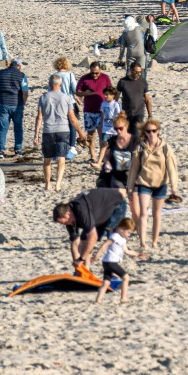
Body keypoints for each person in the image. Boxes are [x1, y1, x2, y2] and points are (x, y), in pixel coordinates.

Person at [125, 120, 180, 249]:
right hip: (144, 182)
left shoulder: (165, 147)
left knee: (157, 214)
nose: (151, 133)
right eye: (148, 131)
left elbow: (172, 168)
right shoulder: (140, 147)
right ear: (145, 132)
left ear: (158, 131)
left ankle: (154, 241)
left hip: (160, 183)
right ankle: (143, 242)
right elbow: (134, 169)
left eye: (154, 131)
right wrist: (130, 187)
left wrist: (174, 188)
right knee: (143, 212)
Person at [53, 188, 130, 270]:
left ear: (68, 214)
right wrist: (77, 264)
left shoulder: (80, 210)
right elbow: (74, 243)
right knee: (84, 239)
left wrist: (81, 259)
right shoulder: (69, 220)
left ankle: (114, 272)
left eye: (64, 222)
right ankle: (85, 270)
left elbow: (93, 237)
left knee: (112, 237)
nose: (65, 224)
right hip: (98, 213)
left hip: (116, 205)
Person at [35, 74, 87, 192]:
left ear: (49, 84)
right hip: (63, 130)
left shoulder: (43, 98)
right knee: (61, 158)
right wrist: (80, 132)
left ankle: (48, 184)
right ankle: (58, 184)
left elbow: (39, 117)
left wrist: (36, 135)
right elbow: (73, 118)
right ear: (61, 85)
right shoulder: (66, 98)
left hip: (48, 130)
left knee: (47, 159)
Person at [93, 217, 146, 305]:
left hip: (107, 262)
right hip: (111, 262)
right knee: (126, 277)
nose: (129, 235)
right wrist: (96, 256)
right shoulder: (115, 236)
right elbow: (104, 245)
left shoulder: (122, 239)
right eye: (128, 232)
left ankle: (98, 300)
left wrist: (138, 254)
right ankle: (123, 298)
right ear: (122, 229)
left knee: (106, 282)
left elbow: (127, 251)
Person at [76, 62, 112, 162]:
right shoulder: (84, 78)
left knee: (102, 135)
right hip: (89, 110)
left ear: (100, 70)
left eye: (96, 73)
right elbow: (77, 92)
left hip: (102, 111)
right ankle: (92, 156)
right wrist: (85, 93)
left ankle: (102, 156)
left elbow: (111, 90)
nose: (95, 75)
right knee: (91, 135)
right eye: (92, 73)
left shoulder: (105, 78)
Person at [0, 58, 29, 156]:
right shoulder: (21, 75)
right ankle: (18, 150)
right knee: (18, 127)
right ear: (18, 66)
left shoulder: (0, 73)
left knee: (3, 128)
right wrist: (23, 103)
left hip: (3, 102)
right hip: (17, 104)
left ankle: (1, 150)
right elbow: (25, 93)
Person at [96, 115, 137, 191]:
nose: (118, 131)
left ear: (127, 126)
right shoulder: (112, 141)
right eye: (116, 129)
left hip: (132, 175)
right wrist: (107, 162)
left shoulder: (135, 141)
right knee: (118, 196)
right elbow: (106, 156)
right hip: (117, 175)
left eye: (121, 128)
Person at [116, 63, 152, 137]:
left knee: (136, 135)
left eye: (140, 72)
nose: (138, 74)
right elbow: (116, 98)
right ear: (131, 71)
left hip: (139, 113)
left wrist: (150, 114)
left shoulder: (143, 82)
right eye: (136, 72)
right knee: (127, 135)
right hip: (126, 113)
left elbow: (147, 99)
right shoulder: (123, 82)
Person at [51, 57, 80, 149]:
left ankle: (60, 144)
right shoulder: (70, 75)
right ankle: (72, 146)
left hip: (57, 102)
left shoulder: (53, 76)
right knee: (72, 124)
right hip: (69, 102)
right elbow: (75, 89)